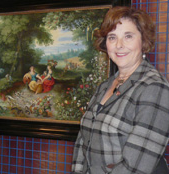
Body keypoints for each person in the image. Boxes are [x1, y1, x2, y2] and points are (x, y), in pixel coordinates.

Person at [72, 6, 169, 174]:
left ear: (143, 41)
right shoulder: (105, 86)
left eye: (128, 36)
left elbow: (136, 167)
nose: (119, 45)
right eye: (112, 37)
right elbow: (82, 142)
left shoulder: (155, 88)